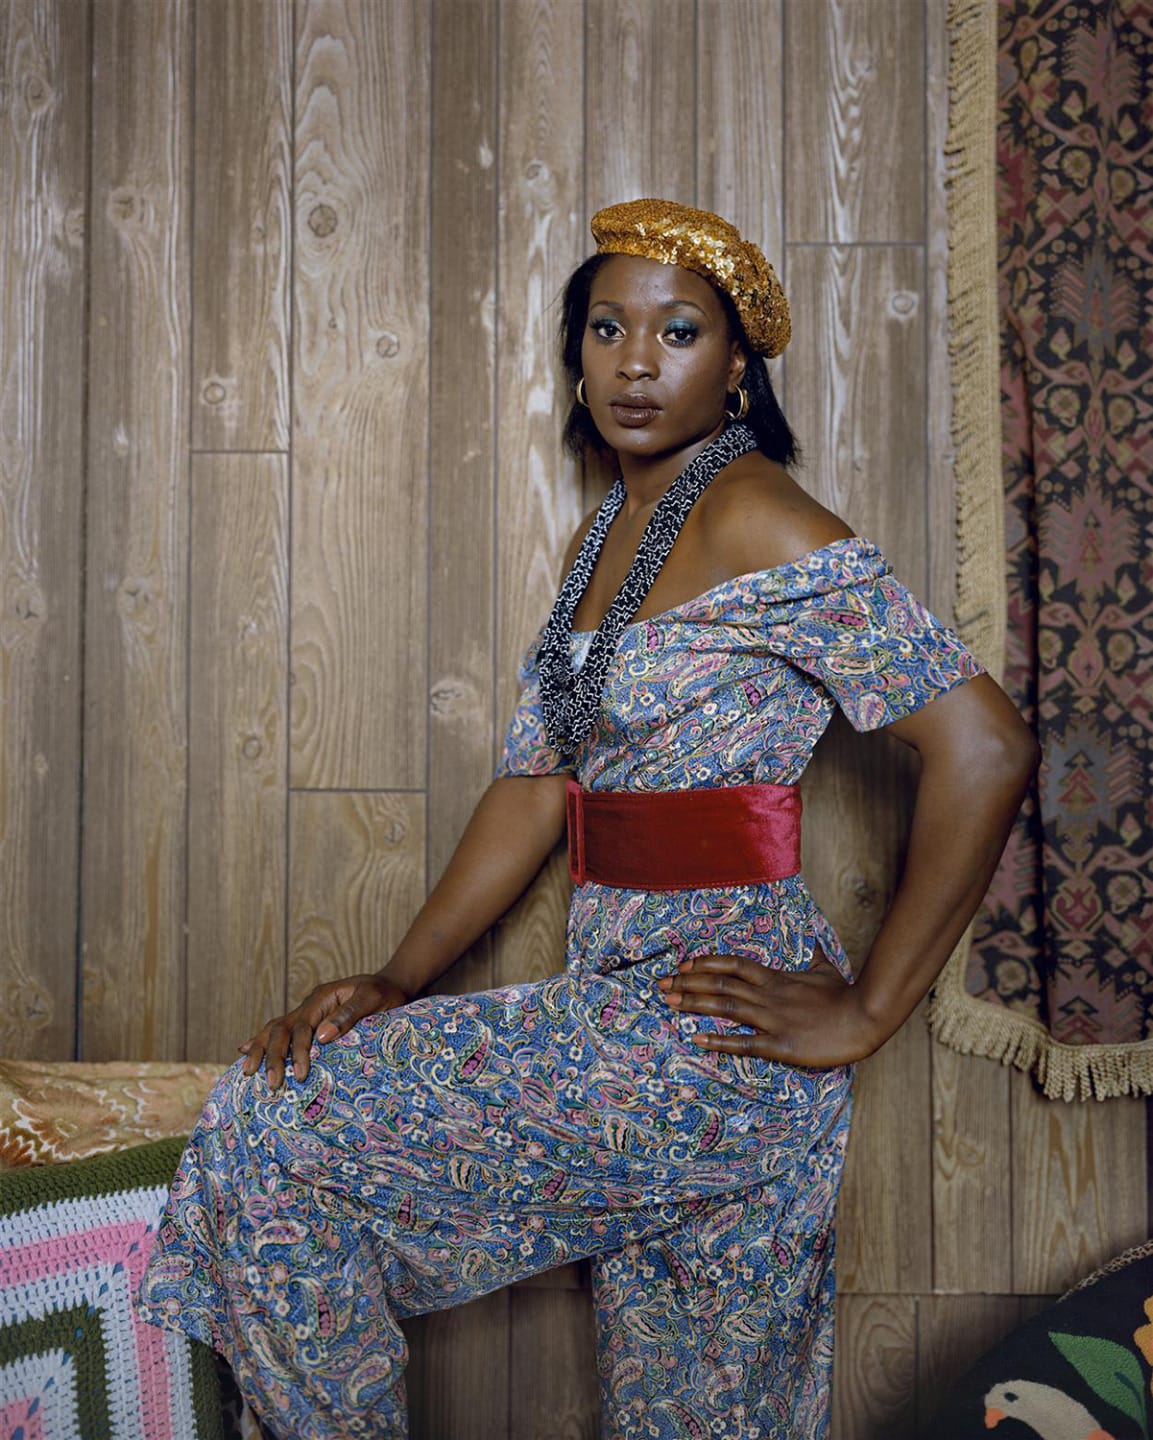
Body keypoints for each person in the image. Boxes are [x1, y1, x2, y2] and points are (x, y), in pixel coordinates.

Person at [136, 198, 1039, 1439]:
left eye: (678, 332)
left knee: (277, 1123)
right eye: (606, 329)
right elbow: (536, 784)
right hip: (619, 981)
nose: (634, 362)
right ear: (575, 358)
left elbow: (985, 746)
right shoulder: (608, 531)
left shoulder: (758, 515)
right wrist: (397, 978)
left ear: (735, 366)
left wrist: (870, 1010)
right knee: (699, 1420)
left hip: (716, 1021)